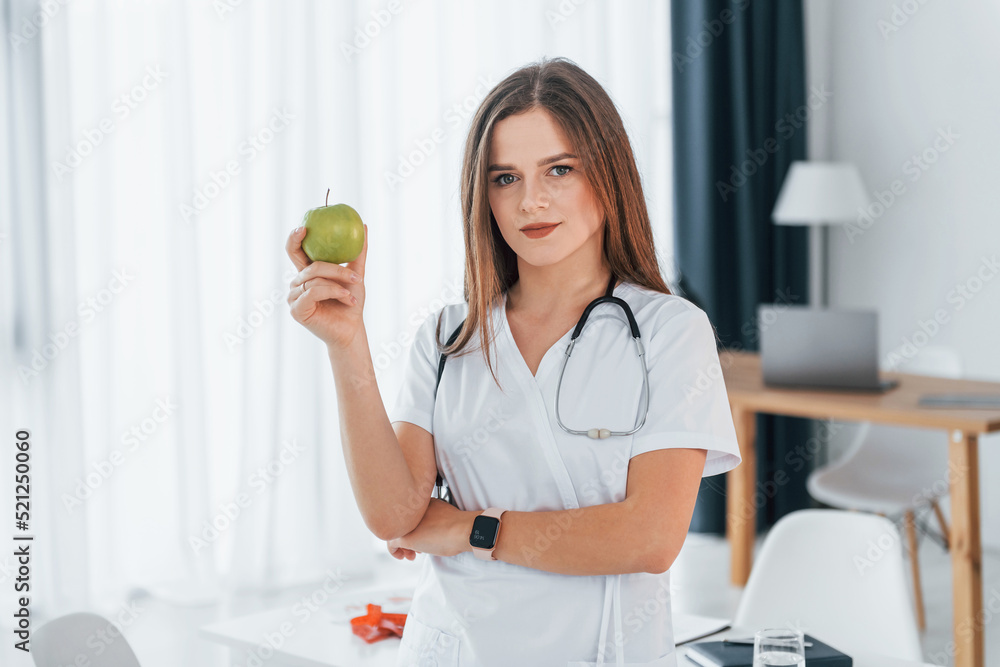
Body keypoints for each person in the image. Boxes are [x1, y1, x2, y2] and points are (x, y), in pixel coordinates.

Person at [286, 56, 741, 667]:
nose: (532, 201)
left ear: (609, 176)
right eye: (505, 178)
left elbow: (649, 539)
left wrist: (466, 529)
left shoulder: (670, 331)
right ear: (484, 196)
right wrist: (347, 343)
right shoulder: (450, 336)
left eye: (560, 169)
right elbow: (394, 514)